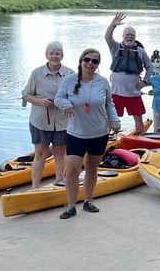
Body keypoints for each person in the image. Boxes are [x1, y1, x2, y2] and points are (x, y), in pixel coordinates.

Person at [53, 47, 122, 220]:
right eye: (87, 60)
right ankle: (70, 206)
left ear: (98, 64)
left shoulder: (103, 82)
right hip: (76, 133)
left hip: (99, 133)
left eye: (94, 61)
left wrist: (115, 121)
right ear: (81, 61)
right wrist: (66, 104)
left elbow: (109, 104)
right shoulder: (69, 81)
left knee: (92, 168)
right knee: (72, 170)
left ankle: (88, 200)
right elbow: (57, 98)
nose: (90, 63)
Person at [22, 42, 74, 187]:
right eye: (51, 53)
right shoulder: (36, 73)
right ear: (46, 55)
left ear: (62, 56)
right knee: (39, 154)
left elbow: (75, 96)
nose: (54, 56)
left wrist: (64, 102)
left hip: (63, 121)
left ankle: (59, 183)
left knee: (60, 153)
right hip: (40, 121)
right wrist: (40, 102)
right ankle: (35, 187)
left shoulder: (70, 74)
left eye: (57, 53)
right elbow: (26, 95)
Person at [104, 12, 154, 135]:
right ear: (123, 35)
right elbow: (107, 37)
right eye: (127, 34)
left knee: (138, 116)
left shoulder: (141, 51)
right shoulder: (115, 47)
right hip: (116, 91)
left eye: (132, 35)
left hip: (133, 93)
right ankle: (106, 136)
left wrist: (145, 82)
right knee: (111, 116)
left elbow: (150, 67)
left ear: (135, 36)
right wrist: (113, 25)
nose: (129, 37)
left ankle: (139, 136)